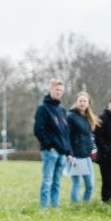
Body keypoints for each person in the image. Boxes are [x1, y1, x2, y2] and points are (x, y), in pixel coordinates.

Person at [33, 78, 71, 208]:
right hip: (50, 152)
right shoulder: (43, 108)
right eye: (56, 89)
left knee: (57, 182)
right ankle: (44, 207)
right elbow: (38, 130)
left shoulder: (62, 110)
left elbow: (65, 132)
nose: (58, 92)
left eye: (61, 90)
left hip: (62, 153)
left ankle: (55, 206)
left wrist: (67, 151)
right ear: (50, 89)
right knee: (47, 180)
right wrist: (49, 146)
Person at [66, 91, 98, 203]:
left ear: (88, 103)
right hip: (76, 156)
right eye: (80, 101)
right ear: (76, 102)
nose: (82, 103)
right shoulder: (70, 116)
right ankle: (75, 206)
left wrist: (93, 150)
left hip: (87, 156)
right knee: (76, 183)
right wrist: (69, 153)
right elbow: (67, 137)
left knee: (90, 185)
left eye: (85, 101)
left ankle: (85, 204)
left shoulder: (88, 117)